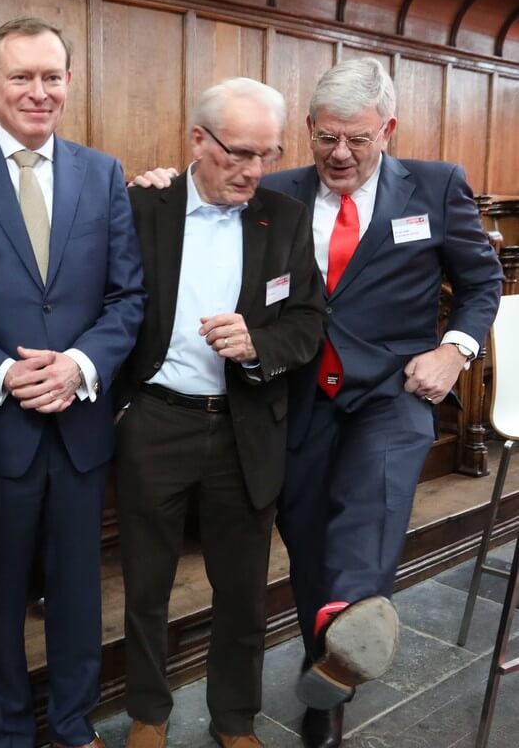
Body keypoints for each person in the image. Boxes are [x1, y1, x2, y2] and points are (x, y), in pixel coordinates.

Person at [136, 58, 503, 748]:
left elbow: (482, 284)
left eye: (358, 140)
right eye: (326, 137)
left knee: (375, 501)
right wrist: (158, 183)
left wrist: (455, 349)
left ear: (387, 130)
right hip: (292, 398)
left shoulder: (435, 187)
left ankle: (346, 642)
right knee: (305, 547)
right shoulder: (272, 189)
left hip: (390, 392)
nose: (340, 153)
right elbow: (199, 205)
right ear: (306, 129)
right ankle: (325, 662)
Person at [0, 17, 146, 748]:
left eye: (52, 77)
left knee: (79, 592)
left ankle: (75, 725)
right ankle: (9, 732)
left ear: (70, 83)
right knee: (1, 595)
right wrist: (5, 370)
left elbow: (126, 297)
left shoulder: (103, 173)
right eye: (21, 76)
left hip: (79, 422)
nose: (38, 92)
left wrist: (77, 366)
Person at [115, 78, 324, 748]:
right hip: (156, 418)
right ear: (197, 141)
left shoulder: (284, 218)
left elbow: (309, 322)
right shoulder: (143, 206)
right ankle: (148, 713)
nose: (253, 170)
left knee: (241, 591)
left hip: (245, 426)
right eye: (238, 152)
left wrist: (257, 344)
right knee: (146, 586)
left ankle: (235, 719)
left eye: (267, 153)